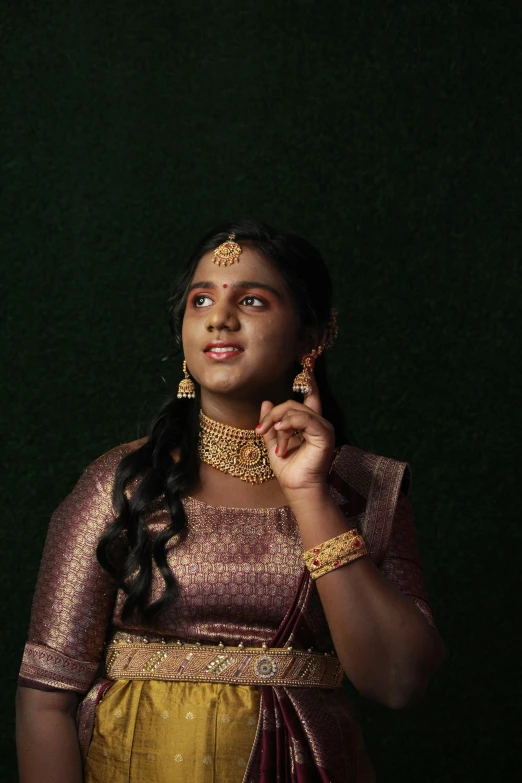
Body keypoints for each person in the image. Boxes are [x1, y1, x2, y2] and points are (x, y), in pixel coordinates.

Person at [16, 218, 445, 783]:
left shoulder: (368, 488)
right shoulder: (121, 485)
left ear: (311, 337)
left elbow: (398, 682)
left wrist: (309, 492)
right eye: (201, 300)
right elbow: (45, 701)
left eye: (253, 300)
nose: (219, 317)